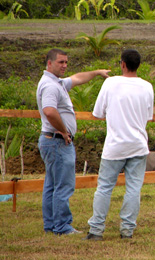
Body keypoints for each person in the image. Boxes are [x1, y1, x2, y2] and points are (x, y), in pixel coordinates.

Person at [37, 48, 110, 235]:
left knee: (52, 185)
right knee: (63, 185)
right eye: (61, 62)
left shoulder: (57, 82)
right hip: (58, 141)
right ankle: (62, 227)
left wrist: (96, 73)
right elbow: (49, 111)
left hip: (53, 141)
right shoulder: (51, 86)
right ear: (49, 63)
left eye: (66, 62)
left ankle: (51, 225)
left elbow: (77, 78)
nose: (65, 66)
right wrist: (63, 131)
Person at [83, 49, 154, 241]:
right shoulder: (147, 87)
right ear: (138, 65)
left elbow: (98, 113)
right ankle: (127, 231)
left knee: (104, 187)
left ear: (122, 64)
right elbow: (148, 116)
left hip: (114, 146)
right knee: (133, 188)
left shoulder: (110, 83)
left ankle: (96, 230)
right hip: (138, 145)